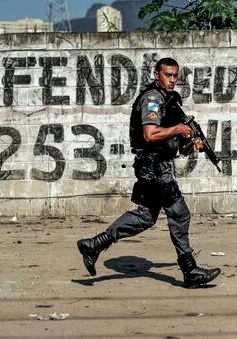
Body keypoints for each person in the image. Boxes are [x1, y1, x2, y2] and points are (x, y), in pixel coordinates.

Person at [77, 58, 221, 288]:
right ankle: (190, 270)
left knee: (145, 216)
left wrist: (189, 144)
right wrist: (178, 129)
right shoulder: (152, 98)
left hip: (155, 165)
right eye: (168, 75)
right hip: (154, 169)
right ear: (157, 74)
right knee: (180, 214)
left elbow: (167, 142)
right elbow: (150, 135)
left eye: (175, 76)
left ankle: (94, 244)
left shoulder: (168, 99)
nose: (172, 80)